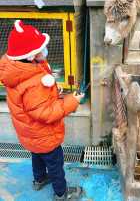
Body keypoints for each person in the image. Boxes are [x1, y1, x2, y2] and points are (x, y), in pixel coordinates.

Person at [0, 20, 84, 201]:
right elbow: (45, 113)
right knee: (55, 163)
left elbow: (35, 102)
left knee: (37, 155)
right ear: (30, 56)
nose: (44, 50)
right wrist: (72, 101)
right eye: (41, 48)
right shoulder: (33, 82)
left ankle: (39, 179)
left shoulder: (18, 69)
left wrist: (54, 91)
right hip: (44, 134)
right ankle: (62, 193)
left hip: (30, 133)